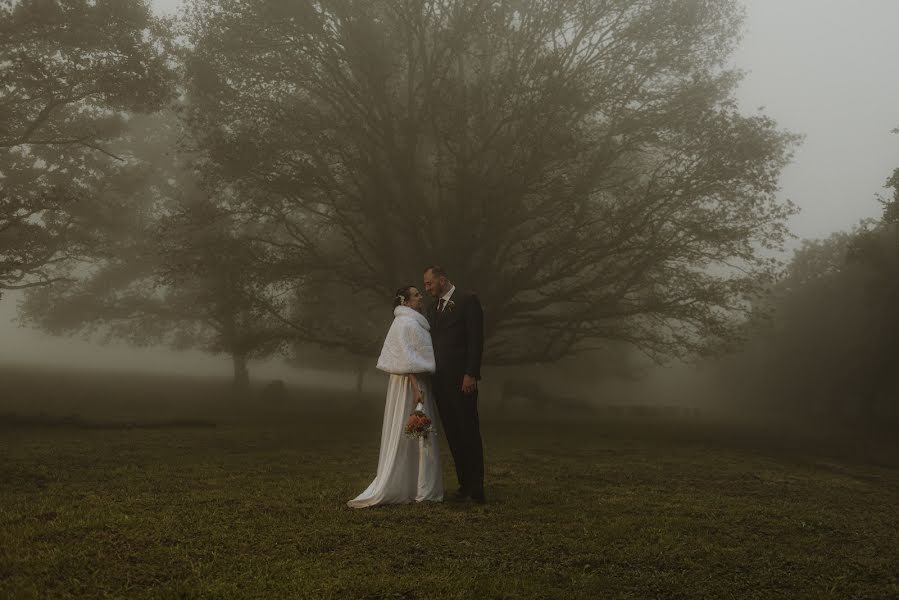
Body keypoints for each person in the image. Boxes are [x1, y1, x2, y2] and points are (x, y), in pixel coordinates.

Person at [347, 286, 443, 508]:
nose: (421, 296)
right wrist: (415, 387)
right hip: (408, 382)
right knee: (412, 429)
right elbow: (404, 356)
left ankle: (420, 486)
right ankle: (408, 485)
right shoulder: (403, 323)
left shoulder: (416, 322)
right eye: (416, 294)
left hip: (419, 380)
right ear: (406, 301)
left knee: (421, 432)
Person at [423, 266, 486, 504]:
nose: (427, 288)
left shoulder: (468, 300)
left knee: (468, 431)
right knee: (452, 433)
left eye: (429, 283)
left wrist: (471, 373)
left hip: (462, 381)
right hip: (440, 382)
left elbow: (475, 339)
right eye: (426, 285)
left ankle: (477, 489)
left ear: (442, 279)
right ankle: (463, 485)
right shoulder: (432, 308)